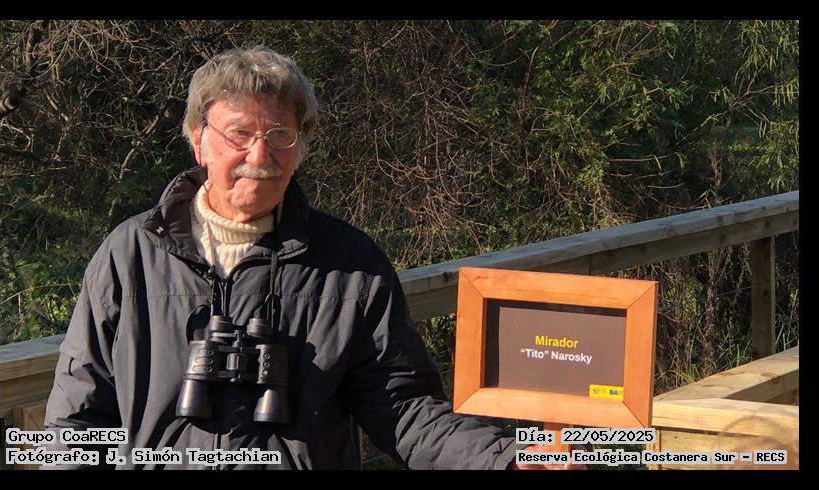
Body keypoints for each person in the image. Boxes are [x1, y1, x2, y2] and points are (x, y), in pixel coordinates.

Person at [42, 46, 581, 470]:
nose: (260, 155)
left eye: (280, 135)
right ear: (198, 140)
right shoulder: (130, 254)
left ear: (301, 146)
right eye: (239, 134)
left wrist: (505, 459)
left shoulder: (349, 264)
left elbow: (402, 407)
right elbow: (76, 420)